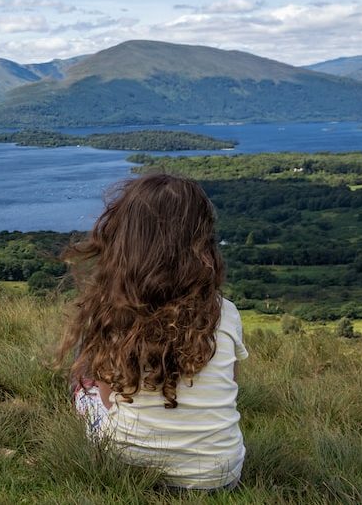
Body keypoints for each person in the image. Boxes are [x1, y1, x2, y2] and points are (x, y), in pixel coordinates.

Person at [55, 173, 248, 491]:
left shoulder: (112, 312)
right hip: (218, 477)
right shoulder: (224, 312)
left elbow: (106, 398)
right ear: (202, 242)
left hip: (127, 467)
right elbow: (233, 384)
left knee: (84, 382)